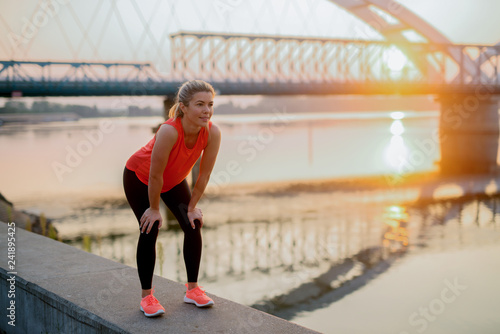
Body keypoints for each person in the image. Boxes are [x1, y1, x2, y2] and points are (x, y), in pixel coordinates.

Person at [122, 80, 221, 317]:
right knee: (150, 227)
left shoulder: (212, 132)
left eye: (210, 104)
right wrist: (154, 209)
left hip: (174, 179)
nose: (206, 110)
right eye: (200, 104)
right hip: (140, 177)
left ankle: (192, 290)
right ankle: (147, 297)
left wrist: (192, 207)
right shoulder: (168, 130)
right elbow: (155, 175)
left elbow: (204, 174)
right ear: (184, 107)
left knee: (192, 224)